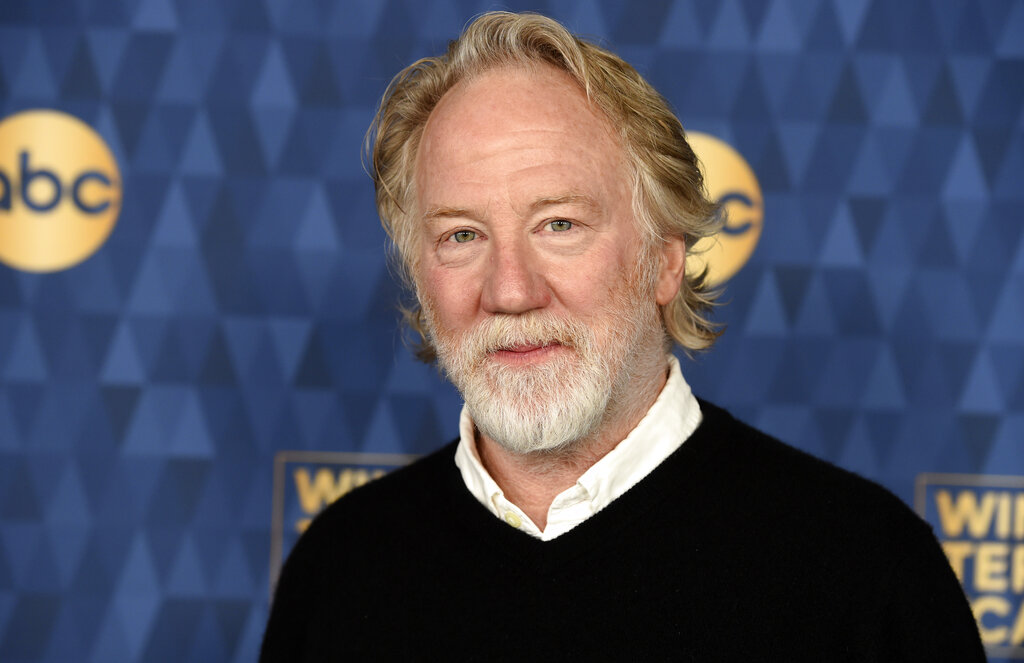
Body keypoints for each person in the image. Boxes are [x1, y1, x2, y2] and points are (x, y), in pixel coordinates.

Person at [261, 11, 984, 661]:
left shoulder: (865, 572)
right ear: (420, 273)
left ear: (665, 259)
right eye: (462, 234)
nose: (510, 289)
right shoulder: (341, 567)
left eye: (560, 225)